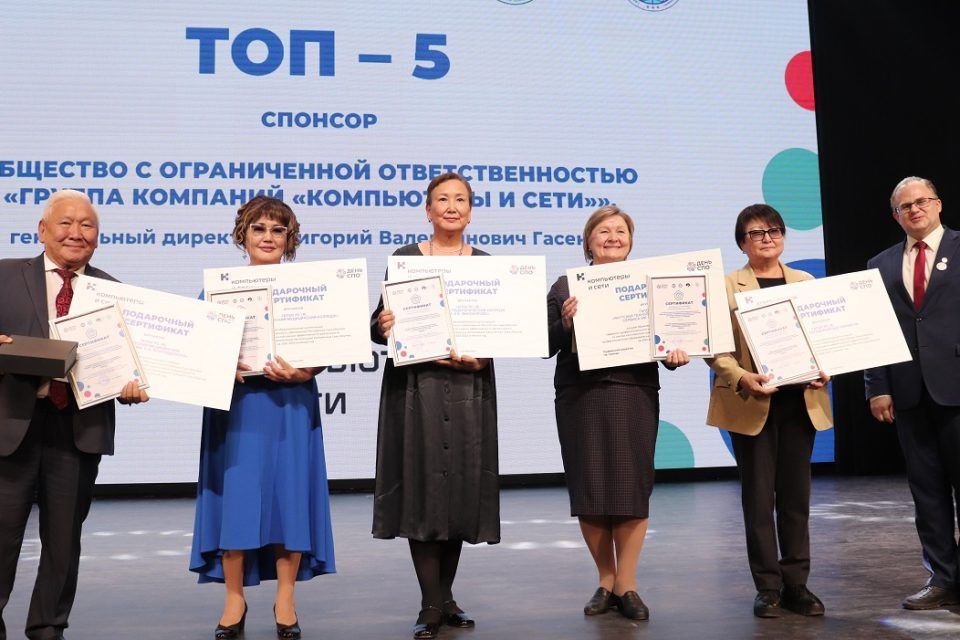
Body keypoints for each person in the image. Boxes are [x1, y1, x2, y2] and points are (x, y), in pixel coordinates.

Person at [0, 190, 148, 640]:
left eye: (87, 225)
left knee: (64, 541)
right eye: (65, 223)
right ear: (42, 230)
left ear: (97, 237)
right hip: (12, 425)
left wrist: (131, 386)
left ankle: (48, 627)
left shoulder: (115, 292)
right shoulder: (5, 275)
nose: (76, 233)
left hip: (78, 430)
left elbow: (130, 365)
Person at [190, 196, 335, 640]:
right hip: (238, 408)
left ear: (290, 239)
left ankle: (285, 600)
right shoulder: (217, 290)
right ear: (243, 235)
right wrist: (220, 365)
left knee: (290, 498)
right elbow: (198, 354)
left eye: (278, 230)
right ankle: (234, 600)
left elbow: (330, 344)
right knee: (237, 499)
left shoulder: (310, 289)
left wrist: (307, 370)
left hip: (291, 404)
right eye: (259, 228)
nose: (268, 237)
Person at [546, 205, 689, 622]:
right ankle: (605, 579)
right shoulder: (566, 285)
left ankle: (627, 583)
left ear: (631, 240)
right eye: (603, 231)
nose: (613, 237)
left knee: (630, 488)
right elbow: (544, 342)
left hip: (633, 391)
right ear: (588, 241)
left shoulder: (650, 284)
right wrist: (566, 324)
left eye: (621, 231)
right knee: (590, 488)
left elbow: (670, 337)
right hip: (580, 395)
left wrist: (675, 353)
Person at [371, 172, 498, 640]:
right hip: (416, 387)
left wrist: (483, 355)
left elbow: (499, 329)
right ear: (428, 210)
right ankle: (429, 602)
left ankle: (445, 597)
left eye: (460, 199)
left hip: (468, 386)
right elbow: (377, 326)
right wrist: (382, 323)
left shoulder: (486, 265)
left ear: (470, 211)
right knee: (424, 489)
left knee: (459, 489)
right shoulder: (404, 260)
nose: (451, 206)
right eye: (442, 199)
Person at [705, 204, 832, 618]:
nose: (767, 238)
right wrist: (741, 376)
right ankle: (768, 586)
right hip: (752, 402)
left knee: (796, 499)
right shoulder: (725, 286)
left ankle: (797, 584)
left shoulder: (805, 283)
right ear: (742, 242)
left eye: (774, 230)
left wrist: (825, 367)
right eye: (757, 233)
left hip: (800, 402)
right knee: (758, 500)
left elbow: (823, 340)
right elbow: (714, 349)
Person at [865, 176, 960, 610]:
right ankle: (942, 579)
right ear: (896, 216)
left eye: (922, 201)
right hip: (907, 393)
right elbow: (873, 331)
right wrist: (877, 388)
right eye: (906, 206)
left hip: (956, 389)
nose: (915, 209)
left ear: (938, 204)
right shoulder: (879, 264)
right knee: (927, 493)